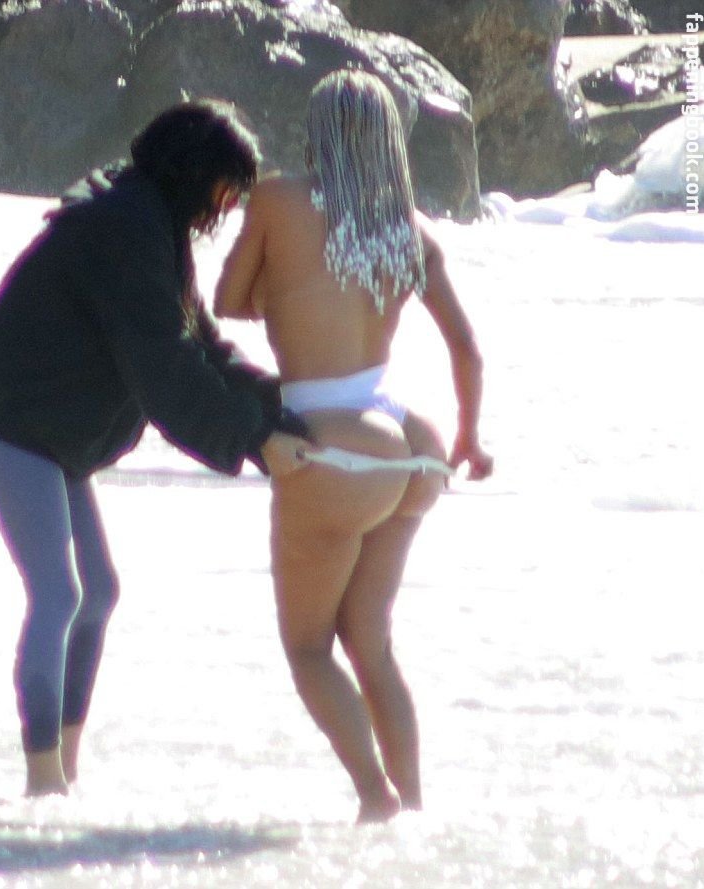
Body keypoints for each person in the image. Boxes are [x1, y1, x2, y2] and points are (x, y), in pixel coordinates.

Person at [0, 101, 312, 797]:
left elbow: (198, 346)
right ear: (195, 172)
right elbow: (165, 372)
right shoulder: (125, 228)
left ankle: (66, 768)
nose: (229, 208)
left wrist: (281, 407)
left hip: (53, 430)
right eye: (228, 191)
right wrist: (254, 439)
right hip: (10, 423)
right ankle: (42, 784)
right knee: (59, 594)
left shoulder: (152, 221)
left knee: (98, 592)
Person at [214, 70, 493, 821]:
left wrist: (285, 292)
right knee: (370, 642)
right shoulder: (410, 232)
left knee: (308, 648)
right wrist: (469, 438)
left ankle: (377, 799)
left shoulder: (278, 199)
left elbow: (227, 301)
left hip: (336, 447)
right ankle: (414, 806)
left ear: (317, 136)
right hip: (415, 445)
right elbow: (467, 350)